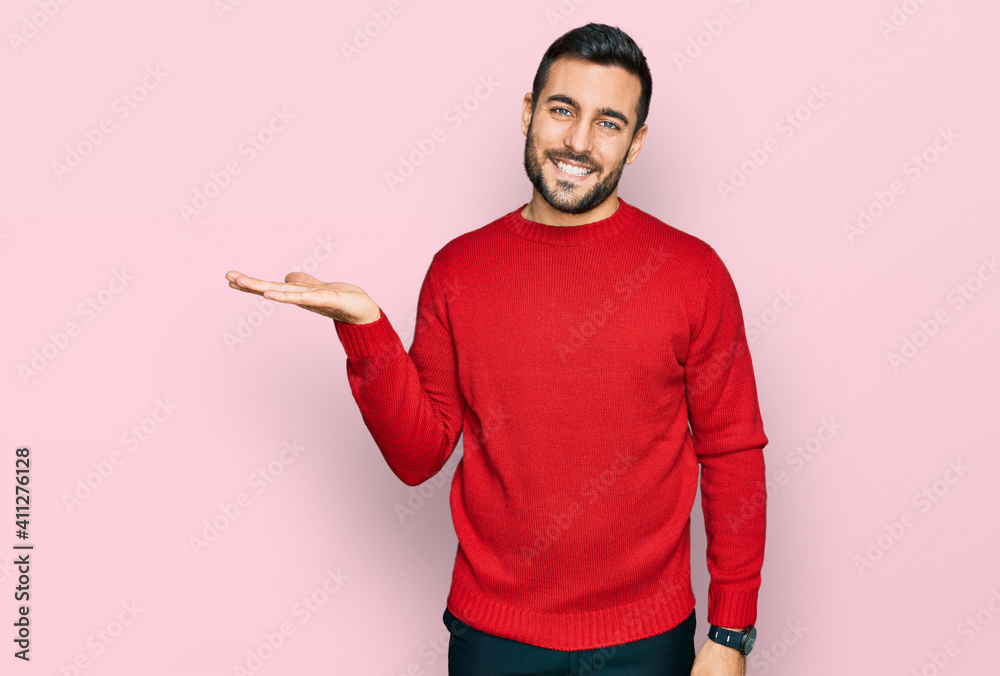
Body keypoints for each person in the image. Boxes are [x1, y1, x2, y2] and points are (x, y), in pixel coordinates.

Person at [227, 22, 768, 676]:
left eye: (608, 122)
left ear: (637, 141)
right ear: (528, 112)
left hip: (647, 638)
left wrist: (730, 632)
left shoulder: (693, 274)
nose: (577, 141)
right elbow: (418, 455)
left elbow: (732, 451)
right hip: (493, 639)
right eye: (562, 110)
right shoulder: (459, 270)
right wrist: (366, 329)